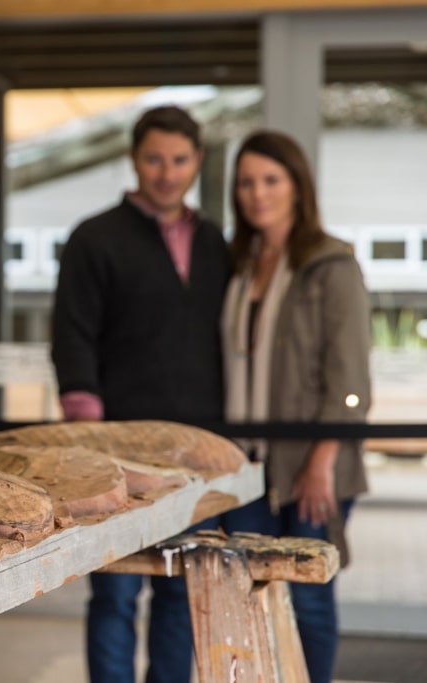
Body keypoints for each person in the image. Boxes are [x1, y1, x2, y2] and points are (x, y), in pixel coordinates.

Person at [51, 105, 230, 683]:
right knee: (116, 592)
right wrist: (89, 436)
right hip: (118, 453)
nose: (167, 172)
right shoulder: (93, 238)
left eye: (179, 160)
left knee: (181, 586)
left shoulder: (215, 243)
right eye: (154, 158)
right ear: (134, 160)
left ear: (197, 162)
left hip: (200, 449)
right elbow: (72, 334)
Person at [219, 130, 370, 683]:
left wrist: (321, 463)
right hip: (247, 470)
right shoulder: (238, 265)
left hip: (311, 470)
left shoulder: (332, 265)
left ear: (297, 186)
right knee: (246, 598)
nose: (257, 193)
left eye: (271, 180)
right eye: (246, 183)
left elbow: (350, 382)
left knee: (309, 602)